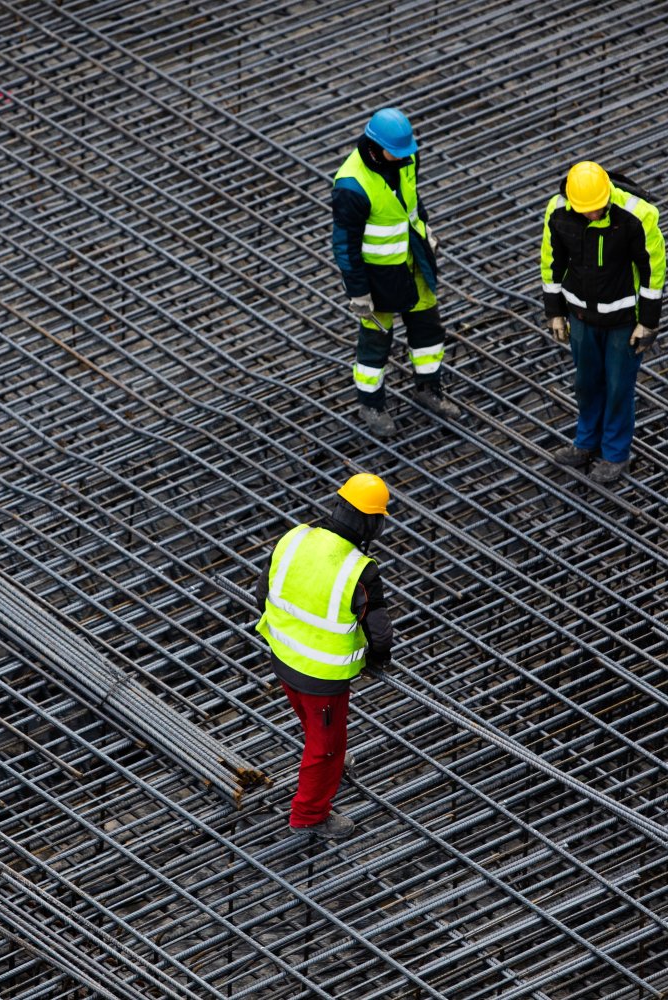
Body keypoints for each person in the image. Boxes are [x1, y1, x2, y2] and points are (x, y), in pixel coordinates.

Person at [255, 473, 394, 838]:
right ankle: (308, 816)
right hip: (322, 679)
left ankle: (327, 766)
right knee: (327, 749)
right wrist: (377, 661)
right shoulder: (360, 569)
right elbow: (378, 631)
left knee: (315, 728)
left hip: (282, 656)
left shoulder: (296, 537)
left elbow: (262, 591)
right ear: (372, 522)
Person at [332, 107, 460, 437]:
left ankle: (428, 388)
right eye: (397, 152)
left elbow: (412, 201)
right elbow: (345, 245)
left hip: (413, 262)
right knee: (376, 341)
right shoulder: (352, 184)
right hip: (378, 278)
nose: (404, 157)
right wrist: (357, 291)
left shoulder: (406, 159)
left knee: (428, 329)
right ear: (376, 146)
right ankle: (371, 405)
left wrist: (425, 230)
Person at [540, 160, 667, 483]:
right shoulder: (559, 211)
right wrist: (554, 311)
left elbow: (653, 271)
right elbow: (551, 261)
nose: (593, 215)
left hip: (624, 321)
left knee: (618, 386)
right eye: (586, 211)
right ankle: (585, 443)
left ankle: (614, 453)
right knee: (586, 382)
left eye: (598, 209)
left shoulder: (637, 216)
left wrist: (648, 322)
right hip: (581, 316)